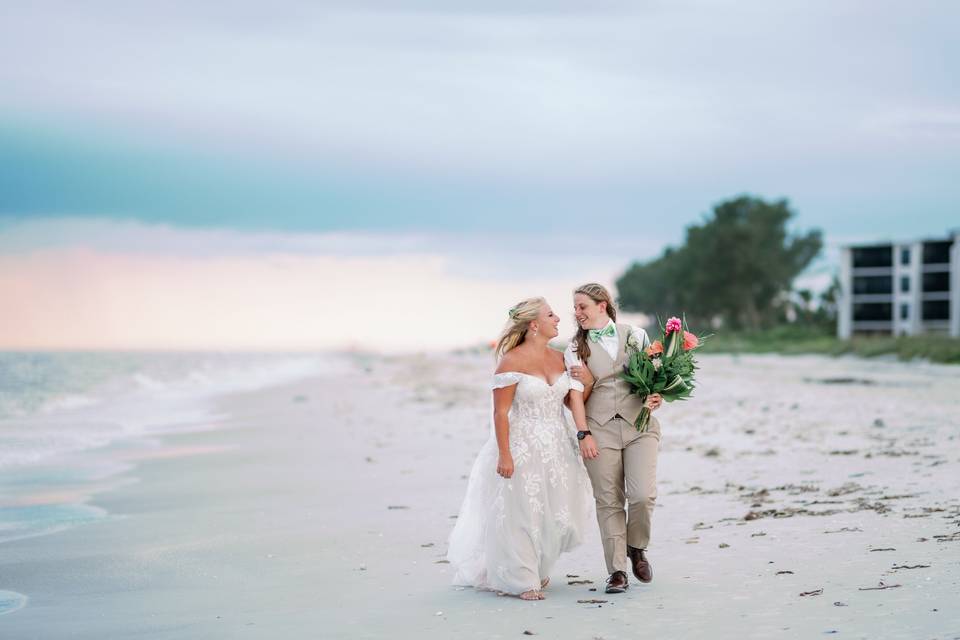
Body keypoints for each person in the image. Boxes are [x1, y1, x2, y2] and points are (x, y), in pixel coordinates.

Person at [447, 297, 595, 600]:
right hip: (522, 444)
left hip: (558, 444)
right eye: (551, 315)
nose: (557, 319)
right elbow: (500, 413)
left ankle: (536, 568)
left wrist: (588, 382)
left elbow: (571, 402)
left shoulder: (560, 358)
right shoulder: (511, 361)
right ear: (533, 324)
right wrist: (505, 454)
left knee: (553, 513)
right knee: (522, 512)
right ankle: (522, 579)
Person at [564, 283, 663, 594]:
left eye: (582, 306)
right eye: (575, 307)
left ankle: (637, 547)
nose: (577, 313)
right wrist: (584, 433)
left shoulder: (636, 336)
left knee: (642, 495)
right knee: (608, 500)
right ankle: (617, 570)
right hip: (598, 427)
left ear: (602, 305)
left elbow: (652, 377)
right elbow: (575, 396)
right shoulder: (574, 347)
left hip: (640, 425)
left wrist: (657, 396)